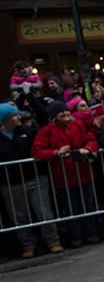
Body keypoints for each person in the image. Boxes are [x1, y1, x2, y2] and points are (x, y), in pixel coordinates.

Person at [31, 101, 100, 247]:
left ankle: (91, 233)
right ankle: (76, 236)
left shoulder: (78, 125)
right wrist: (56, 152)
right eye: (62, 113)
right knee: (71, 208)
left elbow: (91, 139)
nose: (66, 114)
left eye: (67, 112)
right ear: (55, 116)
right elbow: (37, 151)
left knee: (87, 205)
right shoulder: (46, 131)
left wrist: (87, 149)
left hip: (83, 172)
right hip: (63, 177)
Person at [0, 103, 63, 258]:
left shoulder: (28, 132)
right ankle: (28, 245)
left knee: (43, 211)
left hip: (34, 177)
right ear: (5, 119)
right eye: (14, 116)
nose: (18, 117)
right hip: (11, 183)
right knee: (20, 217)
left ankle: (53, 241)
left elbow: (38, 149)